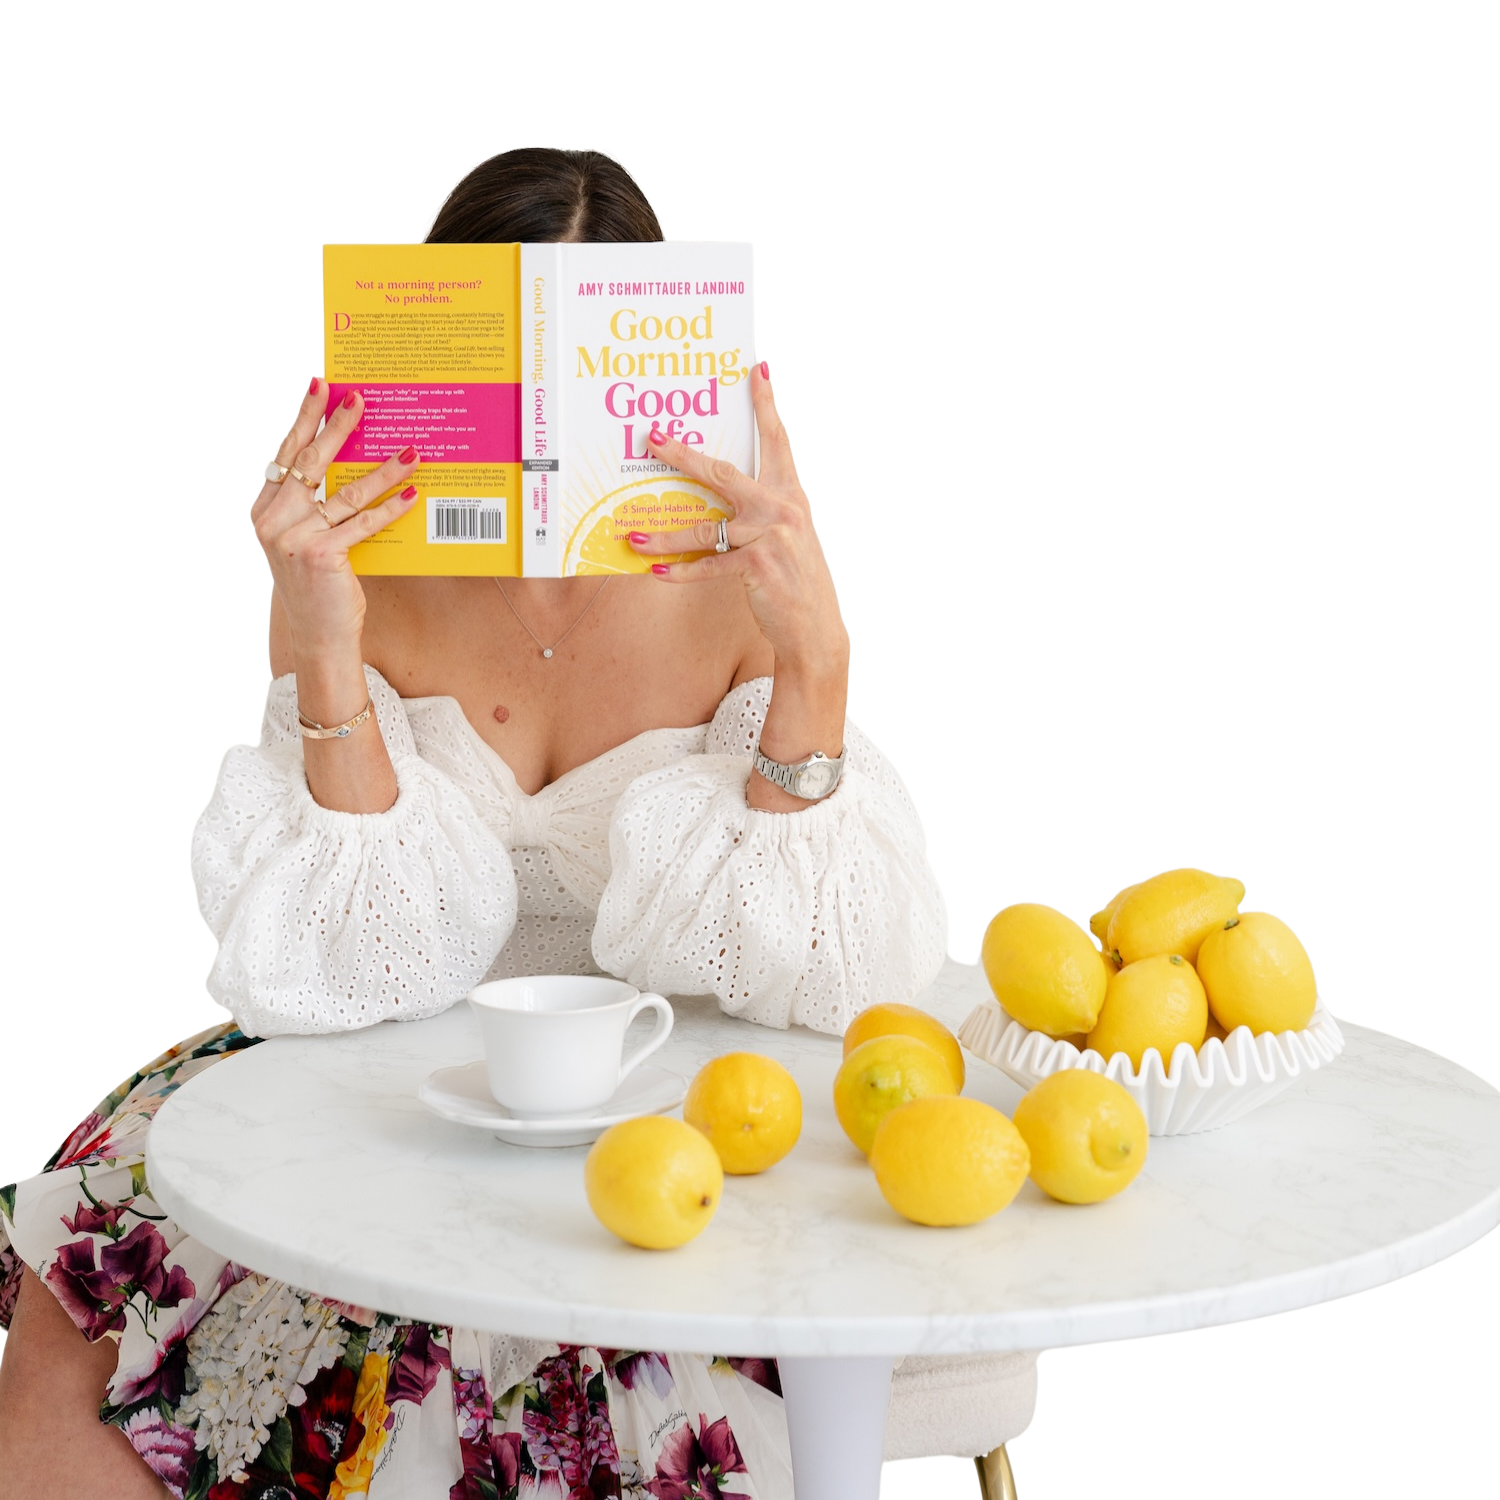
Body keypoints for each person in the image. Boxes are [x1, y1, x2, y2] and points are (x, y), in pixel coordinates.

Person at [0, 148, 1032, 1500]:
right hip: (370, 1063)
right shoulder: (354, 542)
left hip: (662, 1112)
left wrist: (816, 665)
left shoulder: (734, 563)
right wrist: (317, 632)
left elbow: (830, 968)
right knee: (54, 1398)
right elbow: (349, 961)